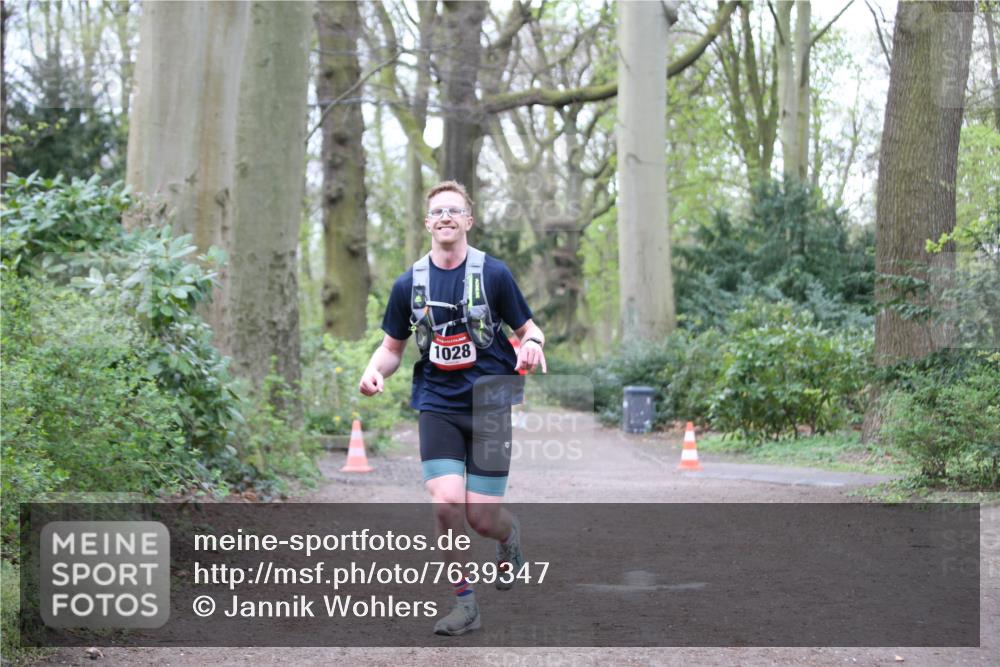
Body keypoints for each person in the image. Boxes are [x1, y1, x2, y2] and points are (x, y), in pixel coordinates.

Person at [358, 180, 546, 636]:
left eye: (454, 210)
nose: (445, 217)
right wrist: (373, 370)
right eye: (437, 211)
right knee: (445, 503)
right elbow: (392, 348)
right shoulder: (409, 283)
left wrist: (533, 346)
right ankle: (466, 605)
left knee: (481, 519)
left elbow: (529, 328)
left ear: (468, 220)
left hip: (490, 403)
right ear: (428, 223)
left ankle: (508, 535)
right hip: (438, 402)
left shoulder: (494, 274)